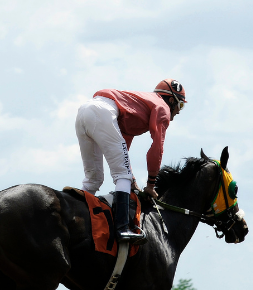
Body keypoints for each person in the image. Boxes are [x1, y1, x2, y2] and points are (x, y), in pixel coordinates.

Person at [75, 79, 186, 244]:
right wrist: (150, 184)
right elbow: (157, 148)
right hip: (103, 112)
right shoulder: (162, 108)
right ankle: (122, 228)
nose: (178, 112)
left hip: (85, 110)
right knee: (122, 176)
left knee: (94, 179)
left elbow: (122, 151)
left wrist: (133, 180)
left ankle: (74, 215)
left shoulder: (137, 108)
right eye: (180, 106)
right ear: (171, 100)